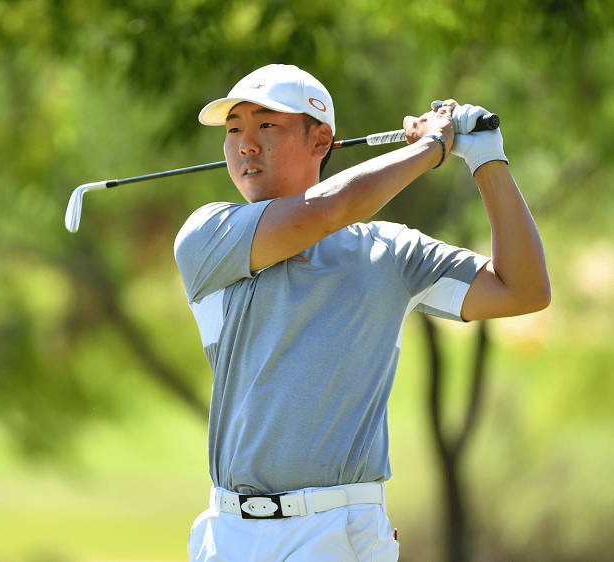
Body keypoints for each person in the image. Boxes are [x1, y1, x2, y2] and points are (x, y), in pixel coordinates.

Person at [173, 64, 550, 561]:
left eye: (266, 125)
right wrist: (430, 149)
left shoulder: (390, 253)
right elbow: (325, 211)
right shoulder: (207, 236)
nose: (245, 143)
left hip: (338, 532)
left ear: (321, 139)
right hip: (231, 534)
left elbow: (522, 289)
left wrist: (487, 159)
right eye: (234, 129)